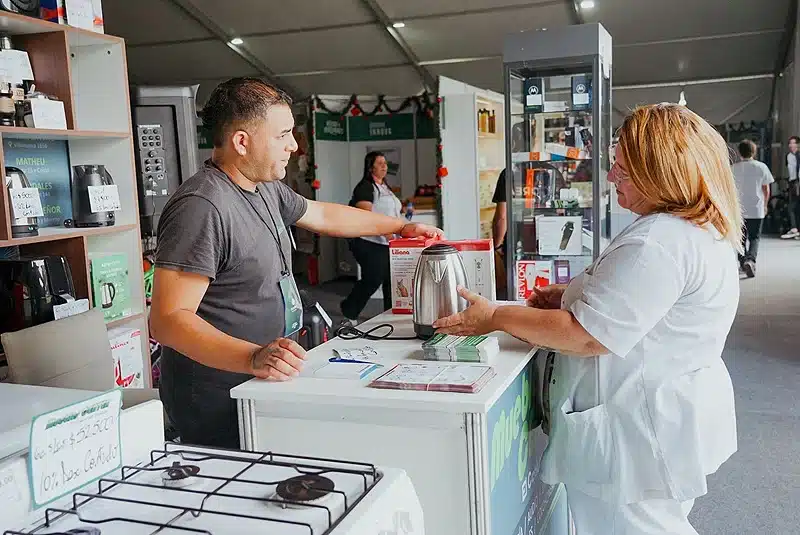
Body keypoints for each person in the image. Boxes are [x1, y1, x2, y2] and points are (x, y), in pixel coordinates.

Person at [433, 103, 741, 535]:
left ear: (663, 172)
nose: (612, 177)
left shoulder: (659, 243)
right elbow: (645, 307)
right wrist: (572, 295)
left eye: (624, 170)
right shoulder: (693, 231)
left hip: (634, 433)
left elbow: (586, 335)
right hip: (660, 418)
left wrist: (497, 316)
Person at [150, 78, 442, 449]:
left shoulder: (265, 187)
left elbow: (324, 216)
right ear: (242, 142)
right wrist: (253, 357)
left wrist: (400, 227)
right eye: (283, 135)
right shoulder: (202, 206)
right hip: (218, 400)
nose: (294, 145)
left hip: (263, 383)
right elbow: (169, 320)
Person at [340, 151, 401, 322]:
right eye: (380, 163)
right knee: (373, 277)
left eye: (385, 163)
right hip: (368, 241)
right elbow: (365, 216)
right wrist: (386, 231)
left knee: (391, 279)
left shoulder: (384, 186)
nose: (384, 166)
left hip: (385, 242)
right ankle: (349, 310)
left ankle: (390, 314)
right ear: (370, 167)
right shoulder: (365, 187)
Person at [732, 139, 773, 277]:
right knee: (755, 237)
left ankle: (743, 261)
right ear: (754, 152)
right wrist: (765, 204)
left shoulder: (733, 168)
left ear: (739, 152)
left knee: (740, 239)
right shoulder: (761, 167)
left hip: (739, 210)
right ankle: (750, 260)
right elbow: (766, 189)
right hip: (756, 208)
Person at [780, 135, 800, 239]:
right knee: (792, 207)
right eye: (790, 143)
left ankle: (794, 228)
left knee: (792, 207)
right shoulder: (788, 156)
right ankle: (795, 228)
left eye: (794, 143)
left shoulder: (799, 155)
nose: (791, 145)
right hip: (792, 183)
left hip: (797, 183)